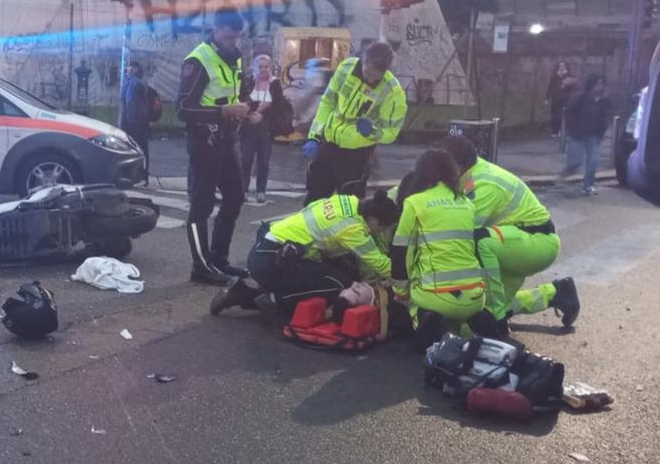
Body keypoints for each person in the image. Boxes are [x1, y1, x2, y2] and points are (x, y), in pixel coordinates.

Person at [437, 136, 580, 332]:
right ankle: (555, 293)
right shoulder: (470, 174)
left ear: (457, 167)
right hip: (511, 241)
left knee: (478, 242)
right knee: (480, 312)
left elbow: (459, 234)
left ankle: (497, 318)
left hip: (535, 244)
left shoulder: (484, 186)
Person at [210, 190, 400, 316]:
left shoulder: (347, 201)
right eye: (381, 227)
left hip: (267, 245)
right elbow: (379, 264)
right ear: (375, 220)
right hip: (271, 260)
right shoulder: (352, 229)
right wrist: (409, 278)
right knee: (338, 284)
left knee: (340, 269)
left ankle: (243, 288)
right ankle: (269, 298)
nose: (380, 232)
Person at [176, 7, 251, 285]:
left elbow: (234, 93)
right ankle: (201, 266)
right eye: (230, 37)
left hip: (227, 139)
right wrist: (223, 113)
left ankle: (219, 259)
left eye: (237, 38)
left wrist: (246, 109)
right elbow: (182, 109)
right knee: (202, 204)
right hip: (204, 141)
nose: (234, 42)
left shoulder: (235, 58)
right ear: (217, 30)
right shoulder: (198, 60)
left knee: (235, 196)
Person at [391, 150, 487, 350]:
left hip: (437, 296)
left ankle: (425, 323)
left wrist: (400, 291)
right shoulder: (467, 203)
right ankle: (464, 328)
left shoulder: (415, 202)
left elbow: (401, 252)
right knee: (457, 314)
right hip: (476, 297)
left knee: (411, 296)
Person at [302, 42, 407, 204]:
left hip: (357, 153)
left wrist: (371, 131)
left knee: (350, 204)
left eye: (374, 76)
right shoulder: (346, 68)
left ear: (385, 71)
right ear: (363, 59)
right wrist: (314, 136)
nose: (369, 78)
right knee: (314, 196)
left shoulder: (393, 93)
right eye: (367, 71)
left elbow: (391, 132)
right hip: (329, 142)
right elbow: (328, 102)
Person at [240, 54, 291, 203]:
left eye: (266, 66)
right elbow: (241, 98)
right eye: (260, 66)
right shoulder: (249, 82)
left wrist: (263, 115)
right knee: (246, 159)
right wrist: (250, 114)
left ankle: (261, 190)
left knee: (263, 160)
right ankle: (243, 190)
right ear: (255, 68)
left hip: (266, 127)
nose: (264, 69)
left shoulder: (275, 84)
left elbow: (278, 106)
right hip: (248, 126)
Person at [562, 74, 610, 195]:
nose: (599, 87)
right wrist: (572, 129)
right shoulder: (581, 97)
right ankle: (568, 171)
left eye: (601, 84)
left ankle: (588, 185)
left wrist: (601, 131)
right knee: (576, 160)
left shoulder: (603, 100)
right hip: (578, 133)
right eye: (597, 84)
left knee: (593, 161)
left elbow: (604, 116)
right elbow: (569, 112)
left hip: (593, 134)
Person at [120, 62, 151, 185]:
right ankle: (131, 174)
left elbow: (141, 90)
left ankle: (143, 174)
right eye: (129, 67)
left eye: (133, 68)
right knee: (129, 148)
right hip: (128, 121)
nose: (129, 69)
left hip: (138, 122)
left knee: (141, 149)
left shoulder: (139, 81)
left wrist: (132, 76)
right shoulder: (127, 82)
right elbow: (124, 102)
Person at [546, 61, 570, 137]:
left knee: (562, 115)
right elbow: (550, 87)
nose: (562, 67)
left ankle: (561, 130)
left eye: (563, 66)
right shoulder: (554, 77)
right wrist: (547, 98)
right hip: (555, 98)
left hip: (565, 99)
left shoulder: (568, 76)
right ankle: (554, 131)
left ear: (565, 67)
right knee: (554, 115)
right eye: (560, 66)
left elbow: (572, 88)